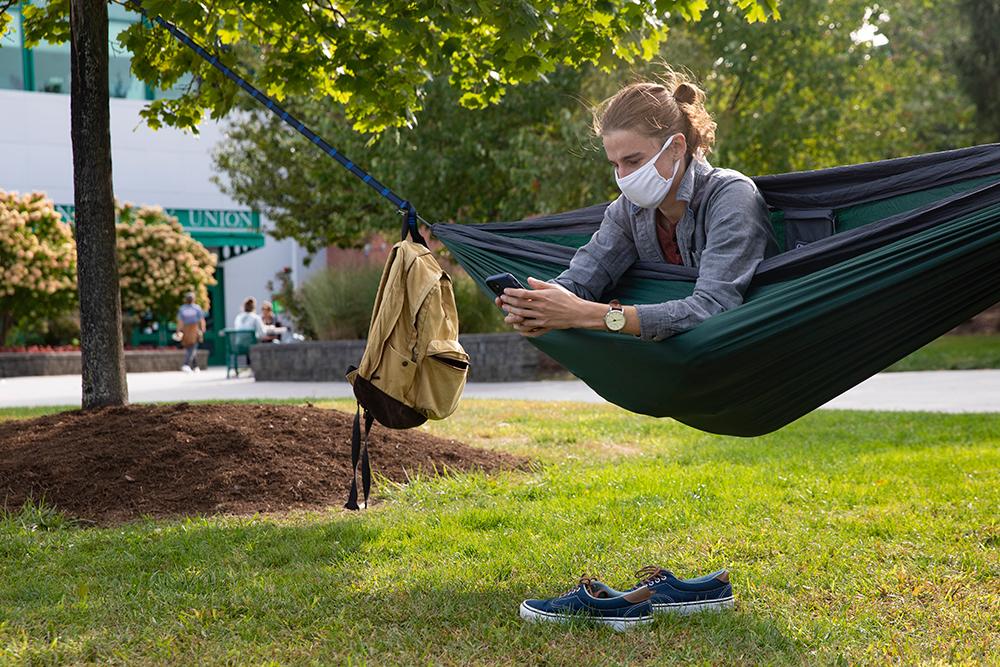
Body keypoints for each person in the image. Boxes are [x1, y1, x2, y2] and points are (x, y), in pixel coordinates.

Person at [497, 69, 778, 341]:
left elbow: (713, 307)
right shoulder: (627, 210)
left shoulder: (731, 196)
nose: (623, 177)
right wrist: (537, 304)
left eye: (633, 161)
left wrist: (591, 315)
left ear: (676, 147)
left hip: (750, 351)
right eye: (615, 165)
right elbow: (581, 280)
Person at [175, 291, 206, 372]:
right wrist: (178, 331)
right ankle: (192, 366)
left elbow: (201, 320)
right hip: (188, 330)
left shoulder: (195, 308)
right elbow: (180, 321)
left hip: (194, 329)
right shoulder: (185, 308)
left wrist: (202, 329)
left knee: (192, 347)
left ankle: (189, 365)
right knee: (191, 347)